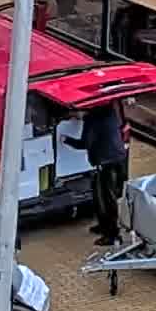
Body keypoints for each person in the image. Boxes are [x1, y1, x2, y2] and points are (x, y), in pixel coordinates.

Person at [67, 100, 129, 245]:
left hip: (106, 162)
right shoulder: (109, 111)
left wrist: (67, 140)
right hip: (118, 157)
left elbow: (86, 143)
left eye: (75, 114)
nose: (75, 118)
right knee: (102, 194)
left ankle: (112, 234)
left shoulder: (91, 120)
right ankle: (104, 226)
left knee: (105, 197)